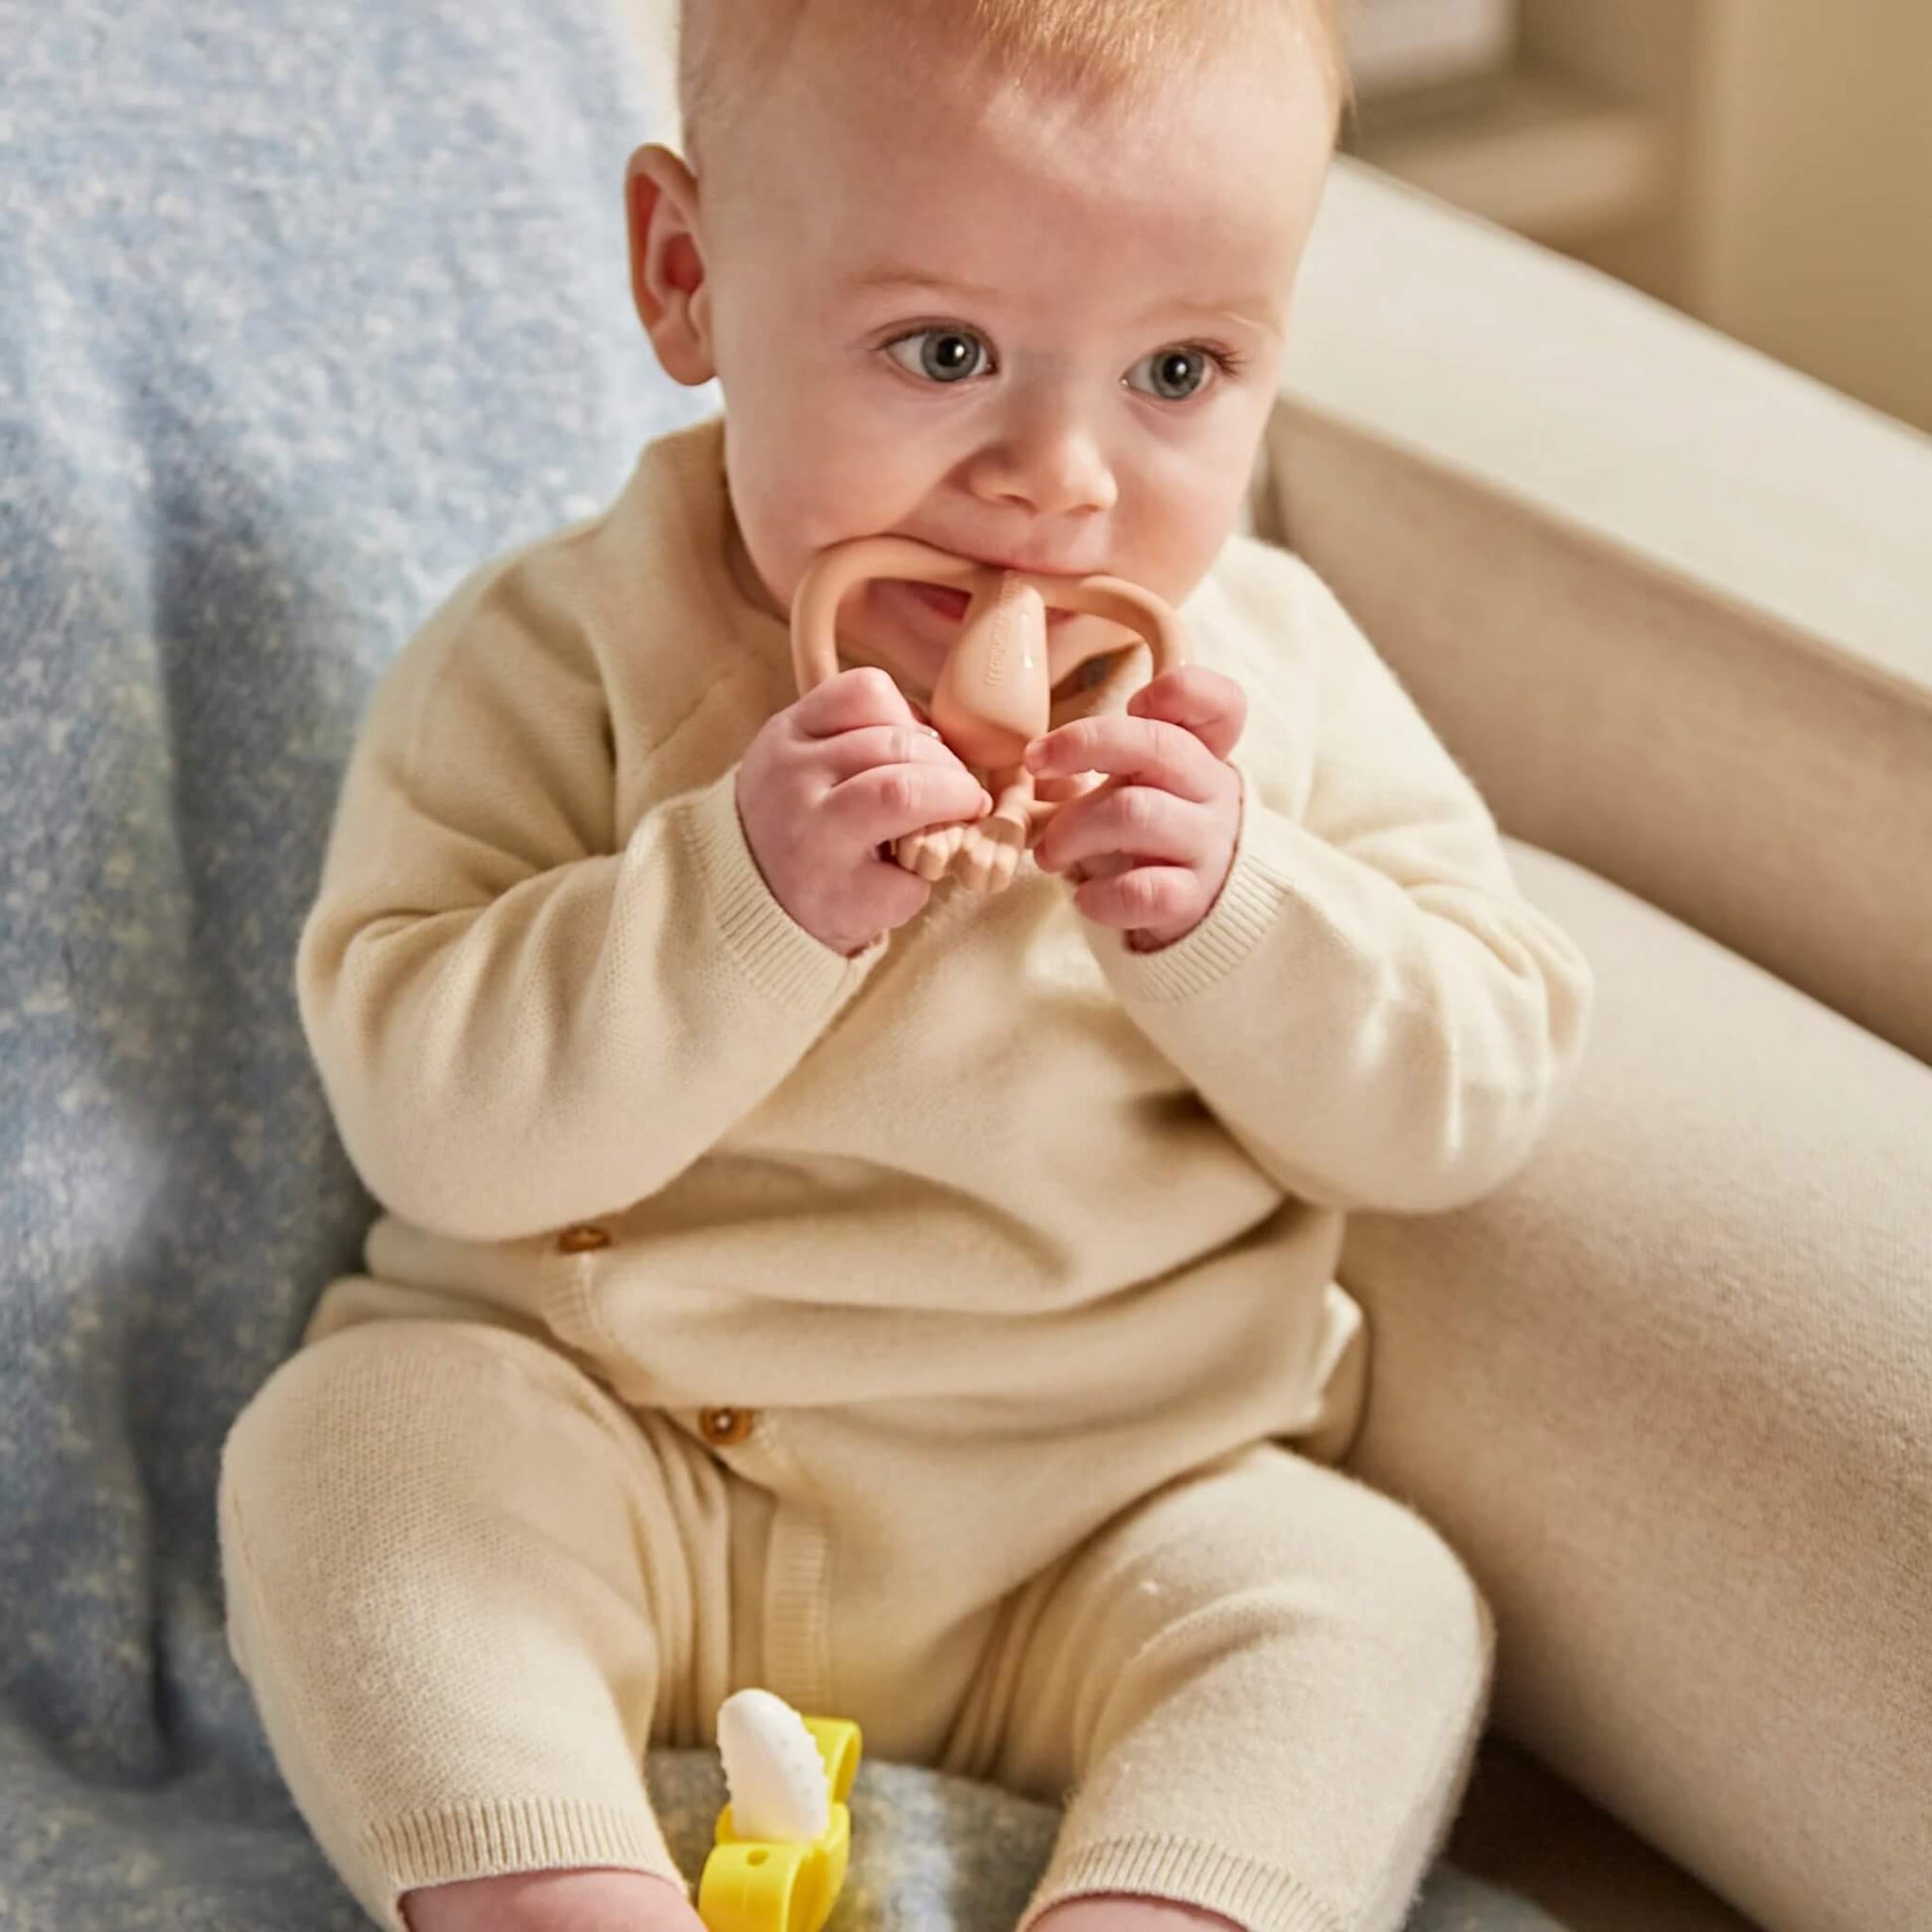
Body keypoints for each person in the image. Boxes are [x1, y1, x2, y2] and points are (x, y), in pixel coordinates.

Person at [216, 3, 1596, 1930]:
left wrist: (1235, 913)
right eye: (943, 353)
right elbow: (431, 1125)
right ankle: (557, 1887)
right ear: (688, 279)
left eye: (1178, 370)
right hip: (637, 1460)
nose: (1058, 479)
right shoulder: (550, 655)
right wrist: (739, 897)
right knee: (342, 1454)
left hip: (1111, 1504)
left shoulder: (1263, 683)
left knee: (1364, 1604)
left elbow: (1472, 1091)